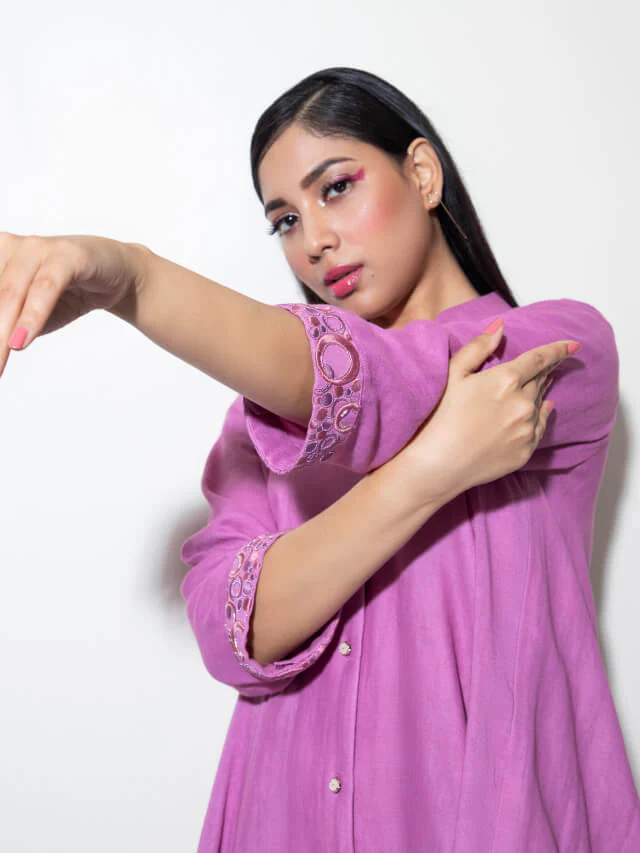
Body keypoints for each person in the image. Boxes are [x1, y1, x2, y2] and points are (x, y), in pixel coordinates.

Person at [1, 66, 637, 851]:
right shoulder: (262, 425)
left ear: (422, 172)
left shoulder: (558, 355)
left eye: (335, 188)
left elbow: (390, 383)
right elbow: (233, 631)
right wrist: (431, 471)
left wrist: (135, 278)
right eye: (285, 221)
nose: (313, 241)